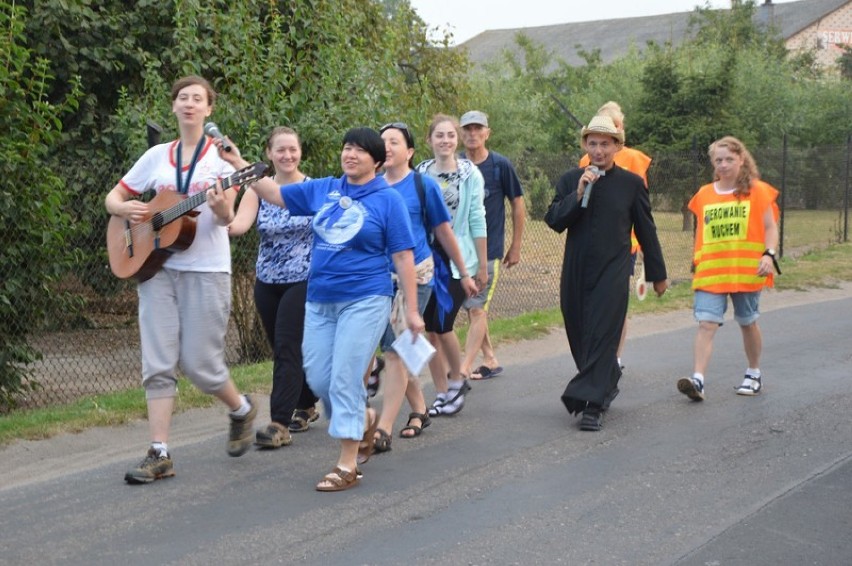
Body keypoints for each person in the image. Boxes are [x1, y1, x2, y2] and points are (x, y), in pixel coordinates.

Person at [222, 127, 424, 492]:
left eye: (360, 151)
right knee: (316, 377)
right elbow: (274, 193)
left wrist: (412, 310)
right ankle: (362, 417)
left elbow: (403, 255)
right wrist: (238, 162)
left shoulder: (387, 199)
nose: (350, 155)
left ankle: (347, 463)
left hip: (365, 298)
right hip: (320, 298)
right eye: (346, 148)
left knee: (346, 377)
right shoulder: (325, 189)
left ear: (376, 161)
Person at [105, 75, 257, 484]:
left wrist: (223, 208)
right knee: (157, 361)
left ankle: (241, 408)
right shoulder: (157, 156)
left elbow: (226, 219)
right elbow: (113, 198)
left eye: (198, 99)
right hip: (156, 267)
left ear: (209, 109)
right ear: (173, 106)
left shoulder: (223, 162)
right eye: (182, 98)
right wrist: (130, 211)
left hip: (206, 268)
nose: (189, 104)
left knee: (200, 364)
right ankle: (159, 452)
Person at [544, 114, 668, 432]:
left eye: (605, 144)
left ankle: (591, 404)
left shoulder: (631, 184)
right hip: (575, 269)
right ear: (585, 145)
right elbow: (555, 220)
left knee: (603, 335)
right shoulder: (572, 179)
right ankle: (606, 381)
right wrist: (579, 191)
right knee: (579, 333)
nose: (598, 150)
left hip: (612, 270)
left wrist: (658, 273)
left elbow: (647, 230)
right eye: (593, 143)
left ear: (616, 146)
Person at [369, 122, 477, 453]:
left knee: (396, 350)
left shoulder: (422, 186)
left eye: (394, 142)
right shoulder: (370, 186)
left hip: (416, 275)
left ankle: (384, 427)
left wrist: (464, 272)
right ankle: (418, 408)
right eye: (382, 141)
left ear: (410, 151)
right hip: (377, 278)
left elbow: (444, 232)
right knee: (392, 348)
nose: (387, 147)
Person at [228, 126, 319, 448]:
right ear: (269, 154)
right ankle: (306, 403)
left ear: (300, 153)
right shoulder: (256, 191)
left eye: (292, 149)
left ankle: (279, 423)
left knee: (285, 347)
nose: (287, 155)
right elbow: (238, 225)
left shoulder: (311, 189)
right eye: (280, 150)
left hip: (304, 280)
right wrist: (220, 213)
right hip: (266, 281)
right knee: (286, 348)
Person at [677, 136, 780, 402]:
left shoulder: (757, 191)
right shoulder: (704, 194)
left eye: (729, 159)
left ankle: (753, 373)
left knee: (747, 322)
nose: (723, 165)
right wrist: (697, 260)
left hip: (747, 271)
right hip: (712, 272)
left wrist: (768, 254)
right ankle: (698, 380)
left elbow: (770, 227)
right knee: (706, 324)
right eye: (718, 160)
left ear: (741, 159)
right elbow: (702, 232)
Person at [415, 114, 488, 417]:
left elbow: (476, 218)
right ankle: (442, 391)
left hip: (458, 262)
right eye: (439, 135)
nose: (445, 141)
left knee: (443, 325)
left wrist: (482, 265)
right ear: (429, 140)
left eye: (450, 135)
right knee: (429, 329)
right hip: (426, 260)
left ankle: (458, 379)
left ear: (456, 140)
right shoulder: (419, 174)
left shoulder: (470, 174)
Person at [579, 101, 652, 370]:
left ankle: (615, 357)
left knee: (615, 303)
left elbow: (640, 203)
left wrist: (644, 245)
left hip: (624, 243)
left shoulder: (633, 159)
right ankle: (595, 354)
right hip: (592, 244)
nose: (600, 148)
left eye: (616, 127)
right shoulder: (586, 161)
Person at [458, 110, 526, 381]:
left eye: (478, 129)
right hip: (458, 252)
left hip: (488, 251)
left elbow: (518, 203)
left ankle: (463, 368)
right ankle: (490, 358)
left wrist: (516, 245)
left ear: (488, 133)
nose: (473, 134)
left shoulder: (500, 165)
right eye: (468, 129)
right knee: (471, 307)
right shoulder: (455, 164)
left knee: (476, 308)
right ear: (461, 133)